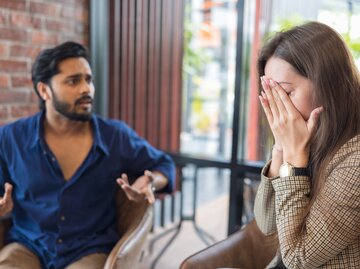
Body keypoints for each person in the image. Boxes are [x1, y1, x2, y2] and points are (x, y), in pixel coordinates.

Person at [0, 41, 175, 269]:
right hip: (27, 244)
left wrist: (151, 182)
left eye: (88, 79)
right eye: (73, 81)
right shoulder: (10, 138)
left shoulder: (115, 136)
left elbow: (164, 164)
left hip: (88, 249)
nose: (86, 89)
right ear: (44, 90)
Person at [254, 21, 360, 268]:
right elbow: (266, 222)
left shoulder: (355, 159)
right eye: (270, 96)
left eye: (284, 93)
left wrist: (294, 161)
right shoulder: (306, 140)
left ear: (327, 85)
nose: (275, 107)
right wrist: (281, 150)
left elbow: (298, 257)